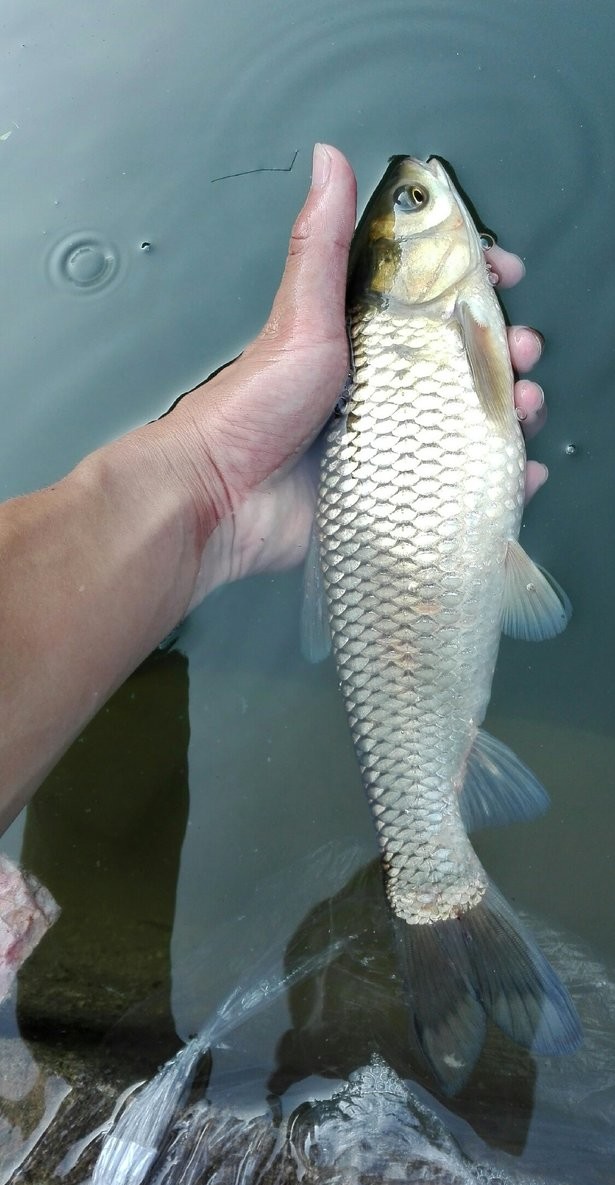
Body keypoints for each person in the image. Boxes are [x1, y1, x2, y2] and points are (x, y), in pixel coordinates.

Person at [0, 144, 550, 836]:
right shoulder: (448, 305)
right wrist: (206, 484)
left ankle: (430, 839)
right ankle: (431, 860)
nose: (426, 193)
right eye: (416, 201)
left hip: (377, 539)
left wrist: (209, 488)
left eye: (413, 199)